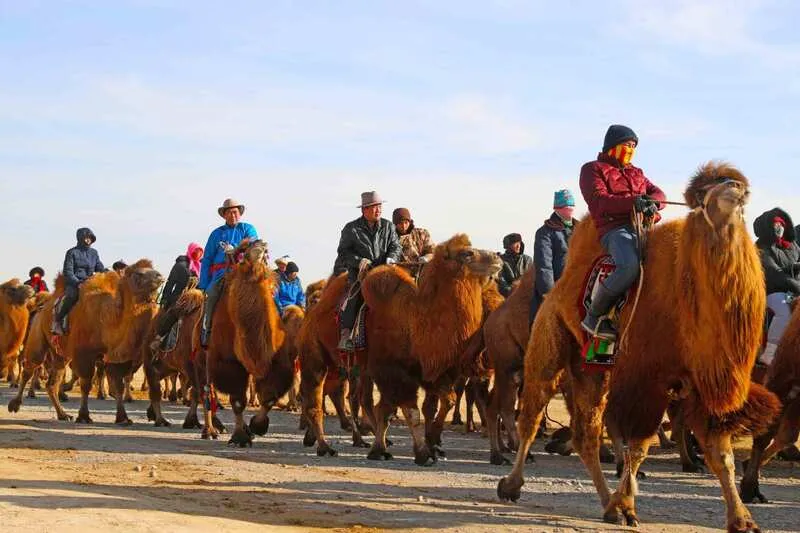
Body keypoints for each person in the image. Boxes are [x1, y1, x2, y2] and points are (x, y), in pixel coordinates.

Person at [578, 124, 666, 340]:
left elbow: (659, 193)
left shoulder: (637, 173)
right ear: (613, 145)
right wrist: (634, 202)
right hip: (614, 230)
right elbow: (598, 201)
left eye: (634, 146)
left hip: (643, 228)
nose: (631, 149)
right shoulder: (592, 169)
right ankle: (594, 316)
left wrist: (652, 202)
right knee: (628, 266)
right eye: (627, 144)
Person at [335, 191, 401, 351]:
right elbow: (343, 252)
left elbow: (396, 246)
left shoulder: (389, 226)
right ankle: (346, 335)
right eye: (373, 207)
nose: (378, 210)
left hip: (384, 272)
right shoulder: (351, 229)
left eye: (379, 206)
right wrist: (359, 261)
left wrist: (391, 258)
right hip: (360, 274)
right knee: (354, 295)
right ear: (364, 210)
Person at [198, 199, 259, 347]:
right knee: (211, 296)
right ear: (224, 215)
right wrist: (204, 284)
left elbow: (254, 247)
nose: (233, 215)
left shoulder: (248, 229)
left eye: (235, 212)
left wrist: (237, 249)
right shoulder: (216, 234)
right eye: (229, 212)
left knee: (265, 295)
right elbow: (207, 260)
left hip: (243, 274)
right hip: (220, 275)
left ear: (240, 213)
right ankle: (206, 330)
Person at [754, 208, 800, 365]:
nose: (779, 227)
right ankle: (769, 352)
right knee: (783, 310)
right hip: (771, 291)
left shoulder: (792, 247)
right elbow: (774, 273)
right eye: (775, 225)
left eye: (781, 224)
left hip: (790, 290)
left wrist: (796, 267)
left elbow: (791, 268)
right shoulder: (761, 248)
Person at [530, 189, 576, 326]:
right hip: (558, 287)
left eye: (571, 207)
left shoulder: (580, 228)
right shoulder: (545, 232)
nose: (570, 210)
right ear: (557, 208)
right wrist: (549, 294)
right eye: (566, 207)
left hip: (578, 284)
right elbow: (544, 265)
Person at [51, 227, 106, 335]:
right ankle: (57, 321)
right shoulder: (71, 252)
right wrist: (78, 283)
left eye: (90, 238)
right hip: (75, 283)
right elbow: (68, 271)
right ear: (81, 238)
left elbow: (99, 267)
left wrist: (108, 272)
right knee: (72, 296)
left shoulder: (94, 253)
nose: (88, 240)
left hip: (91, 282)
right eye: (86, 237)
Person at [160, 243, 204, 310]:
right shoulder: (180, 265)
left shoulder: (202, 268)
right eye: (196, 250)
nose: (198, 253)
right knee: (167, 319)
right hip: (178, 300)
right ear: (191, 250)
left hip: (196, 302)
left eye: (200, 251)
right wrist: (164, 300)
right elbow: (170, 283)